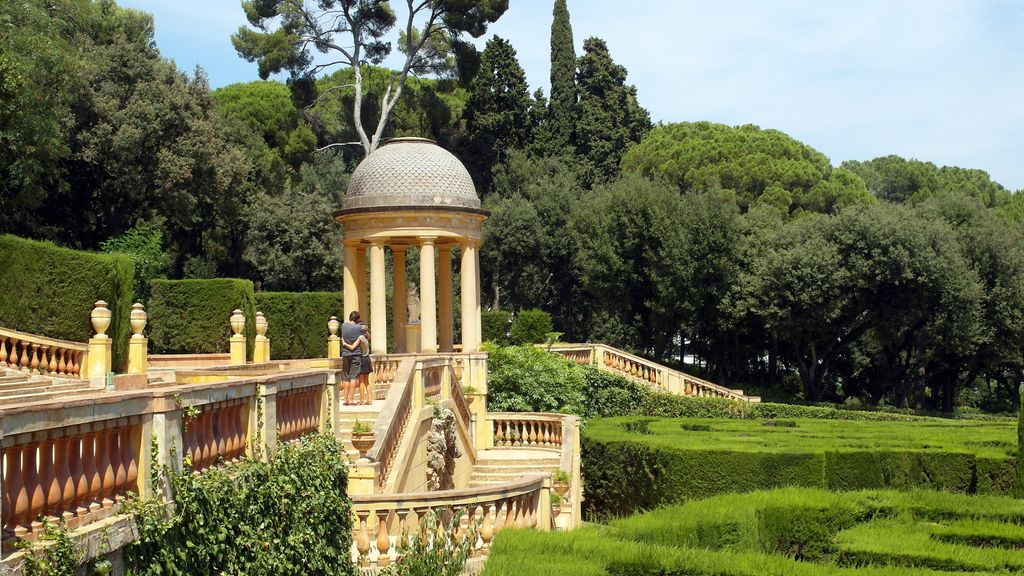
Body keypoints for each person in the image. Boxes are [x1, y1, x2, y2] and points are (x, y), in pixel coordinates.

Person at [341, 311, 364, 406]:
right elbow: (365, 332)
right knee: (353, 377)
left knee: (346, 378)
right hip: (355, 354)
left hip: (345, 354)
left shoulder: (343, 325)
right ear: (357, 319)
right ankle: (351, 399)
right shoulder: (359, 328)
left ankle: (345, 399)